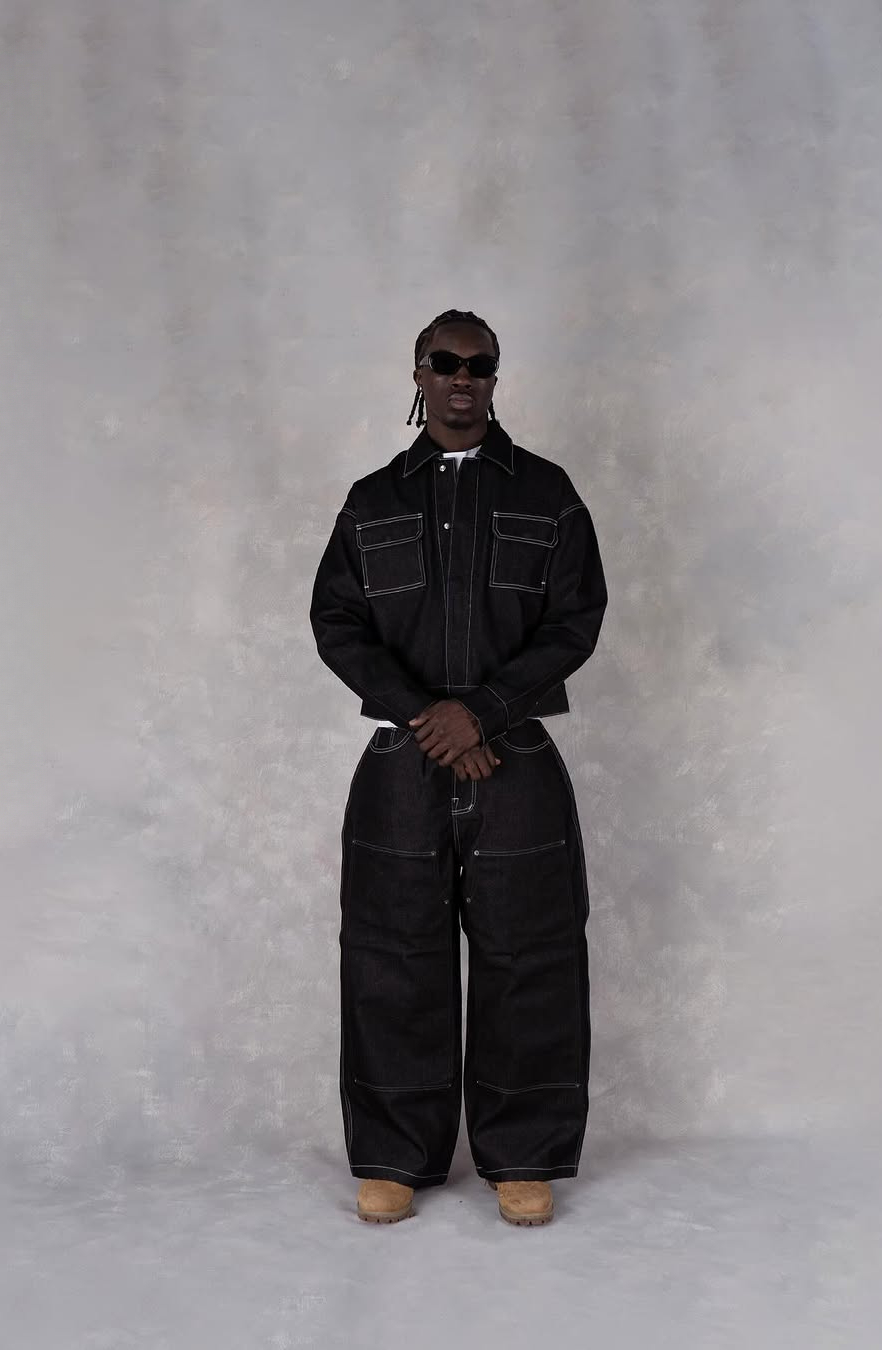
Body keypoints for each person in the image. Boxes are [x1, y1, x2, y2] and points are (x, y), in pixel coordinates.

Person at [309, 308, 608, 1225]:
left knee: (530, 956)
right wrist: (426, 716)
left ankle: (522, 1156)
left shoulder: (548, 495)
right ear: (419, 374)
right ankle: (397, 1157)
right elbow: (336, 623)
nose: (462, 378)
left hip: (515, 758)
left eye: (479, 364)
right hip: (402, 761)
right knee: (393, 955)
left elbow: (575, 620)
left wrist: (480, 711)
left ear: (494, 377)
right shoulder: (371, 502)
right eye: (445, 363)